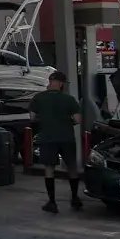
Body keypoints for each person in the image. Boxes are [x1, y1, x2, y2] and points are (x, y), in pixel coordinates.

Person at [30, 70, 82, 214]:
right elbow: (77, 120)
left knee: (49, 169)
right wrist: (65, 122)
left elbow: (32, 117)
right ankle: (75, 198)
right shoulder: (69, 99)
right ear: (60, 84)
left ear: (50, 82)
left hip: (48, 138)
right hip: (67, 138)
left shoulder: (38, 98)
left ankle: (52, 203)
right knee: (72, 168)